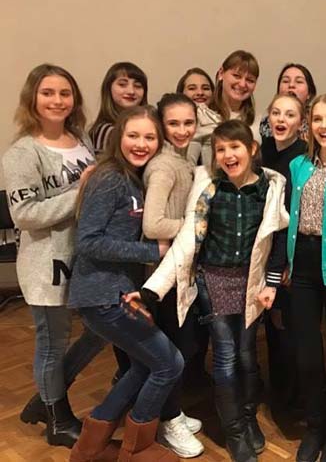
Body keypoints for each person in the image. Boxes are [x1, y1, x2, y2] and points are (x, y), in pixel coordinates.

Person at [139, 119, 289, 462]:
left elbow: (280, 234)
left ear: (252, 149)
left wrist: (273, 280)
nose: (228, 154)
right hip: (214, 280)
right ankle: (233, 429)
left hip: (251, 283)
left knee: (247, 354)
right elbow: (187, 241)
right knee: (225, 355)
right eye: (220, 149)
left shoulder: (270, 187)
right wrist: (153, 289)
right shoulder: (208, 187)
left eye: (235, 147)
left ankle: (249, 418)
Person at [258, 93, 326, 462]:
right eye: (318, 119)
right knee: (305, 352)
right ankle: (315, 424)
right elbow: (282, 222)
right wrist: (275, 275)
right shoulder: (298, 166)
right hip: (302, 265)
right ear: (309, 125)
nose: (324, 126)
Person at [67, 106, 181, 462]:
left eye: (149, 137)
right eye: (133, 135)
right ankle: (138, 446)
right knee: (170, 364)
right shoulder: (111, 177)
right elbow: (88, 241)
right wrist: (152, 251)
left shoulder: (133, 178)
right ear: (119, 136)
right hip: (103, 295)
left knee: (143, 366)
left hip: (119, 292)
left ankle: (89, 448)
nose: (141, 144)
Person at [2, 64, 106, 449]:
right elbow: (24, 215)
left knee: (100, 331)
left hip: (84, 257)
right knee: (53, 342)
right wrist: (79, 192)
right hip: (46, 263)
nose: (57, 100)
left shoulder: (80, 139)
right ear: (32, 97)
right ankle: (58, 419)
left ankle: (46, 397)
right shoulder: (21, 153)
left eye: (65, 93)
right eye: (48, 92)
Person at [141, 93, 205, 458]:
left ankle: (172, 411)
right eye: (173, 123)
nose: (182, 130)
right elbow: (153, 225)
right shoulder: (164, 166)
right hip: (162, 275)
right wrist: (195, 227)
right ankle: (167, 421)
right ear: (161, 125)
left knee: (183, 344)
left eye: (188, 122)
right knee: (171, 350)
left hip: (180, 269)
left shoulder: (184, 158)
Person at [259, 93, 307, 409]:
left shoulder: (301, 158)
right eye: (276, 112)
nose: (281, 119)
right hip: (265, 248)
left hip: (288, 255)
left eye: (290, 115)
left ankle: (296, 394)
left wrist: (285, 263)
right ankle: (280, 389)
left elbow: (295, 216)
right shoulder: (263, 151)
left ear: (301, 123)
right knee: (273, 324)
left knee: (288, 324)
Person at [89, 61, 149, 154]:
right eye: (122, 84)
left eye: (137, 86)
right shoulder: (106, 130)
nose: (131, 91)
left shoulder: (149, 126)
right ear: (109, 88)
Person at [258, 63, 318, 147]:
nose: (291, 85)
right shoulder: (267, 122)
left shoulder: (317, 120)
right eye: (285, 81)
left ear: (309, 93)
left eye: (299, 82)